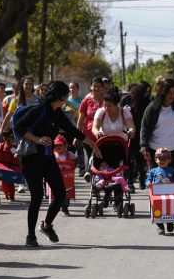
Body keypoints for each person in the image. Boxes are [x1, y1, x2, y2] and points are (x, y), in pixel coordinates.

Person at [14, 80, 101, 247]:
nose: (67, 97)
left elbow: (72, 130)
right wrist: (37, 139)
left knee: (61, 194)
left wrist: (93, 144)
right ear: (61, 96)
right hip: (31, 158)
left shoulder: (57, 112)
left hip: (47, 158)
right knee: (37, 197)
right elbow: (18, 127)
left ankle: (46, 225)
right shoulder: (39, 109)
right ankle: (30, 235)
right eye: (66, 95)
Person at [145, 147, 174, 235]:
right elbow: (148, 179)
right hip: (157, 193)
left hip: (170, 192)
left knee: (170, 208)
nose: (162, 160)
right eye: (159, 158)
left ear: (169, 160)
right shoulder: (153, 171)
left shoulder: (172, 170)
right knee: (157, 208)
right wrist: (148, 183)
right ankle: (160, 226)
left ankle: (170, 222)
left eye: (164, 158)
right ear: (155, 160)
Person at [121, 81, 152, 191]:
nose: (147, 94)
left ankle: (142, 178)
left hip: (142, 133)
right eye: (145, 91)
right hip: (129, 132)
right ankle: (129, 182)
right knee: (129, 158)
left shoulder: (148, 101)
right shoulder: (128, 99)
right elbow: (121, 111)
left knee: (140, 159)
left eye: (149, 92)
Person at [76, 77, 105, 175]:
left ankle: (98, 179)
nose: (96, 89)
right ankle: (91, 177)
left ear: (103, 88)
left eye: (99, 87)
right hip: (88, 137)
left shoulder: (106, 101)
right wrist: (77, 135)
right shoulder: (86, 101)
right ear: (90, 87)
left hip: (102, 136)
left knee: (100, 159)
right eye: (94, 86)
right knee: (90, 158)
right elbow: (80, 119)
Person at [52, 135, 77, 216]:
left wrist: (73, 167)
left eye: (60, 145)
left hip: (67, 178)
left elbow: (76, 159)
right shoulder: (53, 155)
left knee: (67, 193)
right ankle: (55, 208)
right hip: (55, 177)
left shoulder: (69, 154)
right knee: (55, 193)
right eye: (56, 146)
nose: (58, 147)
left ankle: (65, 208)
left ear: (65, 146)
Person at [0, 129, 19, 202]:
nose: (9, 141)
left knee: (11, 183)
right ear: (4, 139)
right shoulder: (0, 147)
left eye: (11, 139)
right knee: (4, 184)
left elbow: (17, 157)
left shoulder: (14, 148)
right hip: (3, 168)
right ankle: (6, 194)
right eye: (7, 139)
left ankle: (11, 196)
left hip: (11, 168)